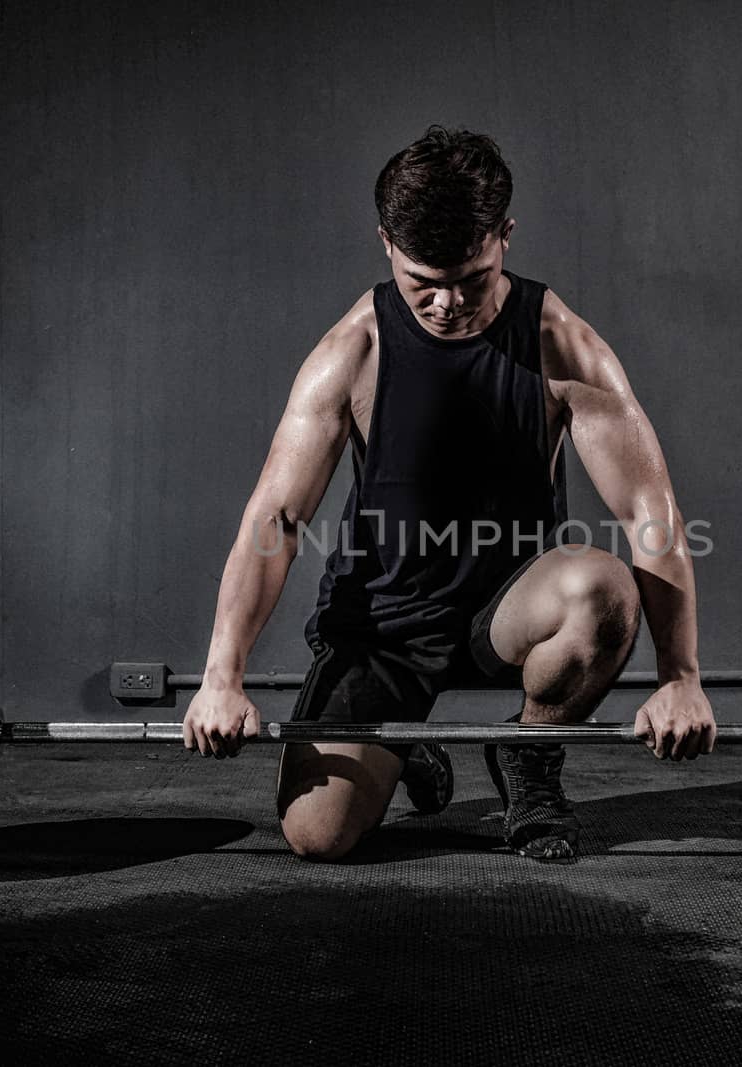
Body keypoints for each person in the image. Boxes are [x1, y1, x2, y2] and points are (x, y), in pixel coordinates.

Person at [183, 126, 715, 863]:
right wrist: (221, 676)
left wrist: (679, 677)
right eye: (421, 284)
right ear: (386, 246)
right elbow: (274, 519)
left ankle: (528, 758)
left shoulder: (561, 344)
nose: (446, 304)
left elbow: (650, 514)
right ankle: (409, 748)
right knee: (319, 836)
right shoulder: (353, 352)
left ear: (505, 236)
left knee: (603, 590)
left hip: (511, 615)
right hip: (385, 630)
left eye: (471, 278)